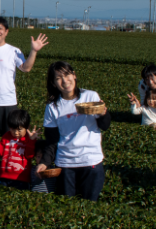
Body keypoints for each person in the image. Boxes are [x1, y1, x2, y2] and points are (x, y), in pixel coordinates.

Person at [35, 61, 111, 201]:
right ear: (53, 83)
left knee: (90, 204)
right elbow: (52, 140)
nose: (64, 81)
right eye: (58, 78)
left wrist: (103, 113)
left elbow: (104, 125)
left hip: (90, 160)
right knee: (66, 206)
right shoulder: (52, 106)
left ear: (74, 75)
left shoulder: (90, 96)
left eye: (67, 75)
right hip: (66, 164)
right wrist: (44, 162)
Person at [0, 109, 38, 190]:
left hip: (22, 179)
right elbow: (0, 154)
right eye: (12, 129)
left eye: (19, 130)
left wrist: (32, 141)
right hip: (4, 177)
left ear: (27, 127)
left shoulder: (29, 139)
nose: (16, 133)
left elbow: (30, 155)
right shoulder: (6, 137)